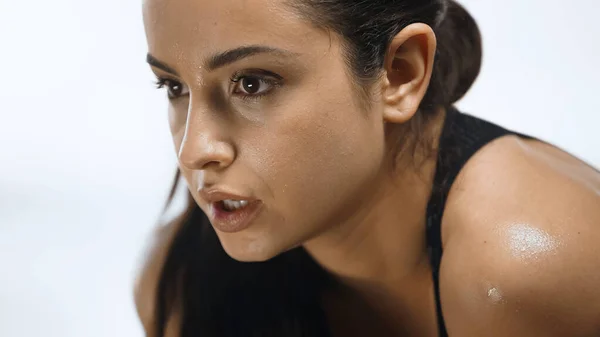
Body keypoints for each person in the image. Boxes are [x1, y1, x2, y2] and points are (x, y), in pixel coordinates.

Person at [135, 0, 600, 336]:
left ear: (399, 72)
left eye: (252, 83)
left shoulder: (529, 272)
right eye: (173, 87)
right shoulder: (180, 285)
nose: (194, 150)